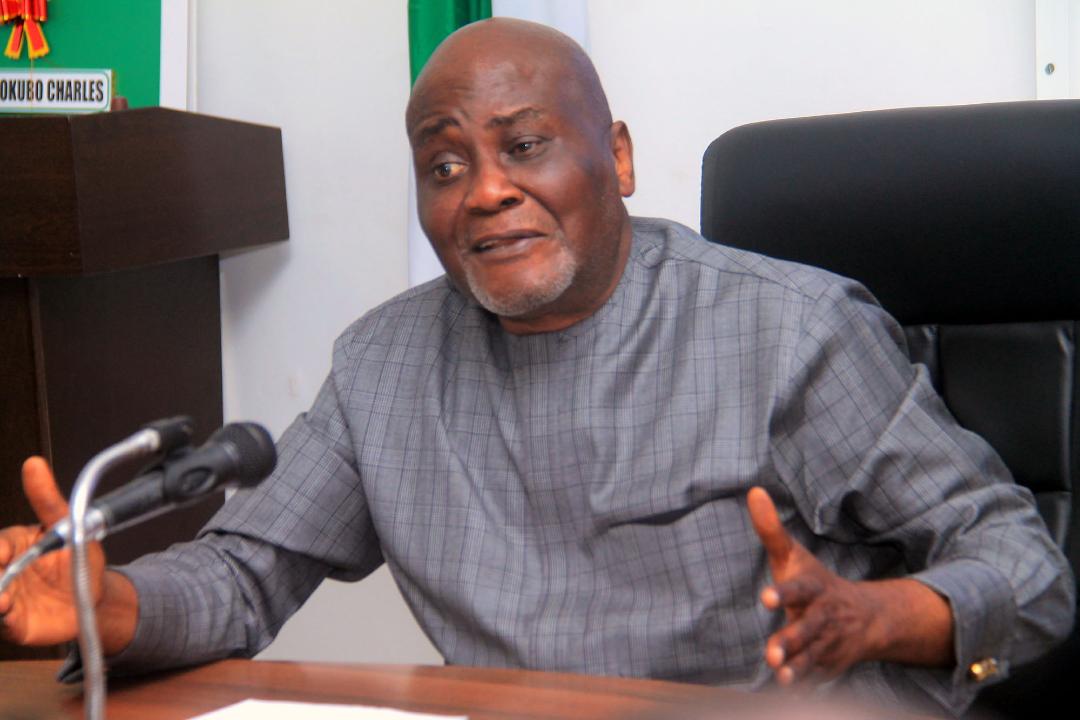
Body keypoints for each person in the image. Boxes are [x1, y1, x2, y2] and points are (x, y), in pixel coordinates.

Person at [0, 18, 1073, 717]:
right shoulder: (383, 363)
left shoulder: (790, 331)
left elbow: (1023, 563)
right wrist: (112, 604)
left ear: (619, 156)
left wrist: (890, 617)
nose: (484, 191)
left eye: (524, 146)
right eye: (444, 164)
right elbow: (241, 576)